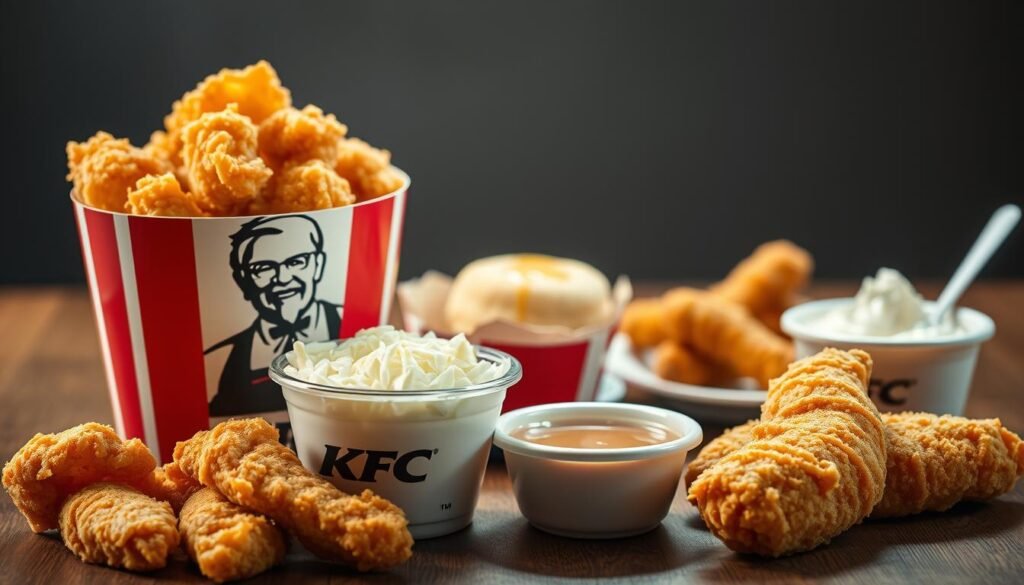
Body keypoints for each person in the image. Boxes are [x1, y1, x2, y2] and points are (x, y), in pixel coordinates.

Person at [206, 215, 341, 416]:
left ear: (318, 265)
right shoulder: (219, 357)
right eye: (264, 268)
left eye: (296, 262)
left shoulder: (359, 334)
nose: (283, 279)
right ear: (243, 280)